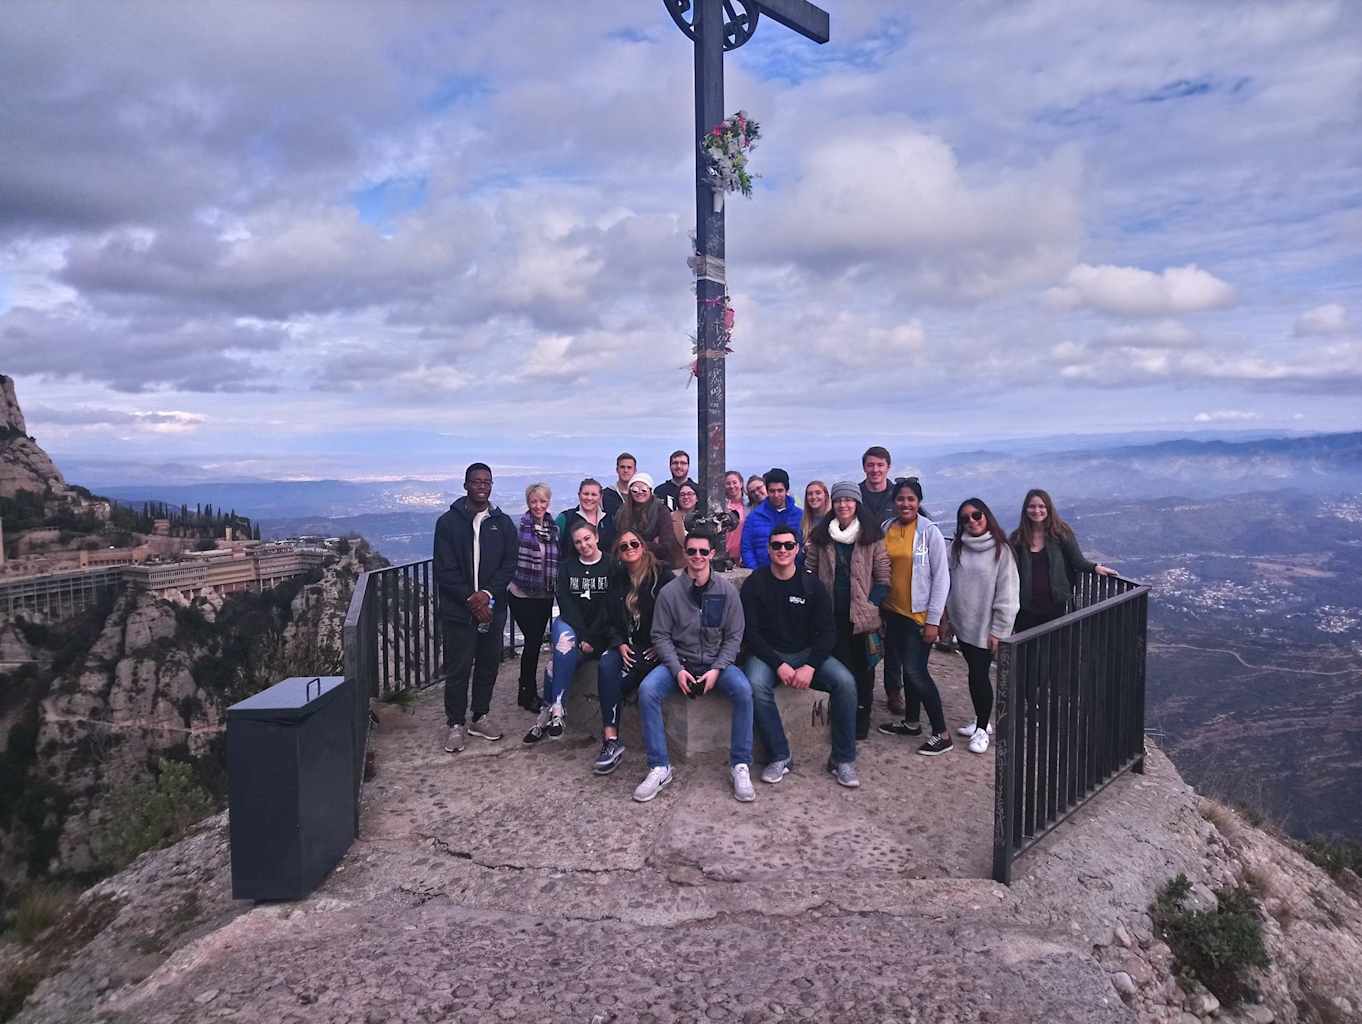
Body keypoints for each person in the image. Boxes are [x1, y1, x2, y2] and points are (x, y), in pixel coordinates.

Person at [633, 530, 754, 803]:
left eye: (703, 551)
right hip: (680, 660)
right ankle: (659, 766)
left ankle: (740, 764)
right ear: (685, 554)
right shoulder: (669, 593)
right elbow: (660, 635)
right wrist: (677, 670)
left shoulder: (727, 592)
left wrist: (718, 669)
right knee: (648, 690)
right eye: (692, 551)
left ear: (712, 554)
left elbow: (735, 635)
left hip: (715, 663)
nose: (697, 557)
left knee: (744, 690)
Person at [741, 524, 860, 787]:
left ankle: (843, 758)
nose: (782, 550)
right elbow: (750, 632)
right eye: (776, 545)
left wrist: (810, 666)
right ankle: (780, 756)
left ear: (797, 549)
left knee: (846, 682)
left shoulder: (812, 585)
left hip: (806, 652)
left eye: (788, 545)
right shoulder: (756, 584)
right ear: (769, 548)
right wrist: (778, 664)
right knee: (755, 684)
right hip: (769, 654)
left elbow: (828, 632)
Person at [434, 462, 516, 752]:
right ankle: (455, 723)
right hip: (460, 611)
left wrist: (487, 595)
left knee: (488, 665)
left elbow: (509, 564)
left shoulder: (502, 523)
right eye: (476, 481)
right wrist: (472, 599)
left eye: (487, 482)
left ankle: (480, 716)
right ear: (465, 484)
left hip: (493, 609)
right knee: (458, 668)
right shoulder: (448, 523)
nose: (482, 486)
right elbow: (445, 569)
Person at [805, 481, 890, 741]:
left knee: (863, 670)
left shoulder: (871, 536)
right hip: (831, 615)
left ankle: (861, 721)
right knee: (838, 668)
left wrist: (871, 603)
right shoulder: (821, 536)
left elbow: (883, 576)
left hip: (862, 618)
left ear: (857, 503)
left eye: (849, 500)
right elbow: (810, 571)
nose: (844, 505)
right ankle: (839, 717)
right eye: (839, 500)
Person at [876, 477, 953, 755]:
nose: (905, 504)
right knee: (908, 671)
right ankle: (911, 722)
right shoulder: (888, 528)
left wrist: (933, 620)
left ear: (919, 502)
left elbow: (941, 579)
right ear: (893, 502)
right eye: (900, 499)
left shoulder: (929, 531)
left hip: (919, 617)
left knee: (916, 672)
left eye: (910, 499)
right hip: (894, 612)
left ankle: (942, 733)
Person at [524, 521, 613, 743]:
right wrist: (582, 638)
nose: (583, 545)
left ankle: (551, 709)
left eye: (587, 539)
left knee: (553, 665)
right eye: (578, 542)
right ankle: (556, 712)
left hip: (601, 634)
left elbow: (611, 608)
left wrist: (592, 638)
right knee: (564, 640)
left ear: (596, 538)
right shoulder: (566, 569)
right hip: (575, 632)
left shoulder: (612, 565)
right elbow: (567, 607)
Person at [592, 529, 673, 775]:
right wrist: (618, 642)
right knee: (607, 663)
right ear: (618, 553)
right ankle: (611, 740)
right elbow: (607, 619)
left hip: (654, 649)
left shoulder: (662, 577)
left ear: (643, 546)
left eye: (634, 543)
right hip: (627, 646)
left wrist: (662, 646)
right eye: (623, 546)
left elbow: (676, 616)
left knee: (622, 681)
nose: (629, 549)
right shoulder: (616, 579)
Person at [947, 498, 1020, 754]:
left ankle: (981, 729)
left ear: (986, 515)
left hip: (985, 628)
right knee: (973, 674)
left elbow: (1008, 597)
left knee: (979, 675)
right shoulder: (957, 548)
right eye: (965, 518)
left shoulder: (1002, 551)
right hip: (962, 624)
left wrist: (999, 631)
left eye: (976, 515)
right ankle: (981, 720)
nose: (972, 521)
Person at [1010, 488, 1116, 631]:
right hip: (1026, 608)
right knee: (1028, 651)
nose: (1037, 510)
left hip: (1055, 606)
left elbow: (1077, 560)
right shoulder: (1017, 538)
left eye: (1041, 506)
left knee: (1055, 648)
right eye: (1032, 506)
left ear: (1048, 509)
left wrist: (1095, 567)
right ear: (1025, 509)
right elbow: (1009, 570)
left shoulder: (1060, 534)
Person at [860, 445, 904, 716]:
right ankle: (864, 690)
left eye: (880, 465)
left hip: (894, 576)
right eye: (870, 465)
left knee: (894, 639)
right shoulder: (856, 494)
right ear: (864, 467)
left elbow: (921, 521)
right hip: (863, 576)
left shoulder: (897, 495)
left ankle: (893, 691)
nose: (875, 470)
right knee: (864, 633)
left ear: (888, 466)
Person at [509, 482, 558, 712]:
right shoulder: (521, 528)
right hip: (522, 594)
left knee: (536, 642)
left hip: (545, 594)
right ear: (528, 503)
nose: (538, 505)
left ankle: (526, 691)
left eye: (542, 501)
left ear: (548, 502)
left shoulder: (553, 528)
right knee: (532, 642)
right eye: (533, 501)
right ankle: (526, 692)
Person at [741, 468, 802, 569]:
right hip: (763, 576)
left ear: (787, 491)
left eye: (780, 490)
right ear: (767, 491)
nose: (776, 495)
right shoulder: (754, 517)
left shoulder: (800, 516)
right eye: (772, 491)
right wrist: (756, 572)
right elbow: (747, 548)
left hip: (794, 575)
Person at [616, 472, 678, 565]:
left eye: (644, 490)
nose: (640, 493)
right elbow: (619, 542)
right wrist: (652, 544)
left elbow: (666, 547)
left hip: (657, 564)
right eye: (635, 490)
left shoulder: (661, 511)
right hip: (629, 564)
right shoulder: (622, 512)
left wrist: (636, 545)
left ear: (650, 490)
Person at [556, 477, 615, 553]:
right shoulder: (565, 518)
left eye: (594, 495)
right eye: (586, 494)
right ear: (579, 495)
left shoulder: (610, 520)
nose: (589, 498)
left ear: (600, 497)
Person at [669, 481, 700, 569]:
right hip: (677, 570)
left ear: (697, 497)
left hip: (701, 569)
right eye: (682, 494)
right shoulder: (669, 518)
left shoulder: (705, 518)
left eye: (690, 494)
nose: (686, 497)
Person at [723, 470, 747, 566]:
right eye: (728, 484)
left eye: (734, 482)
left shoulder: (749, 506)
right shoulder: (721, 506)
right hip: (726, 554)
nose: (732, 486)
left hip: (743, 555)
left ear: (741, 484)